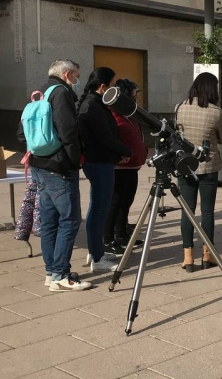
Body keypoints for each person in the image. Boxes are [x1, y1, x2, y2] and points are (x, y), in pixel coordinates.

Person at [17, 59, 90, 291]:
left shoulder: (39, 92)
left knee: (49, 220)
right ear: (67, 74)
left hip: (38, 164)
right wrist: (73, 160)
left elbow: (21, 133)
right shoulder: (61, 93)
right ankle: (61, 274)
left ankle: (51, 272)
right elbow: (68, 131)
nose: (77, 80)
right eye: (76, 75)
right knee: (69, 220)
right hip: (59, 167)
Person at [77, 67, 130, 273]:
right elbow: (105, 137)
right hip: (98, 162)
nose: (116, 88)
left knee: (98, 208)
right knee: (99, 210)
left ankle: (95, 249)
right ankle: (97, 258)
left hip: (101, 161)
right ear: (102, 86)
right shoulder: (93, 106)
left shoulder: (96, 103)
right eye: (113, 84)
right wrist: (126, 150)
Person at [175, 72, 222, 273]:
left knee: (187, 211)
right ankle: (207, 254)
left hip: (185, 166)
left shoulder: (180, 108)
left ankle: (188, 257)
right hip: (208, 167)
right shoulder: (217, 112)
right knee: (207, 212)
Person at [103, 79, 148, 254]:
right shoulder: (113, 116)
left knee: (126, 202)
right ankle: (108, 239)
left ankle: (122, 234)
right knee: (115, 203)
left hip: (133, 166)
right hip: (120, 168)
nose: (136, 95)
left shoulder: (129, 114)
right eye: (134, 92)